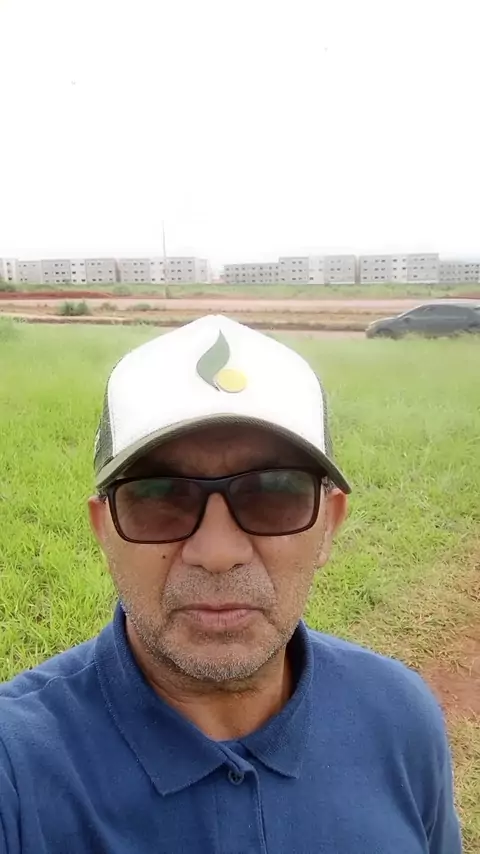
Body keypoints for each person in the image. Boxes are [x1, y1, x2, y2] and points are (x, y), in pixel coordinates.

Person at [0, 315, 461, 853]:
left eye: (273, 493)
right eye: (159, 497)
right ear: (105, 531)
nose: (218, 554)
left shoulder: (401, 717)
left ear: (329, 526)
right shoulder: (16, 766)